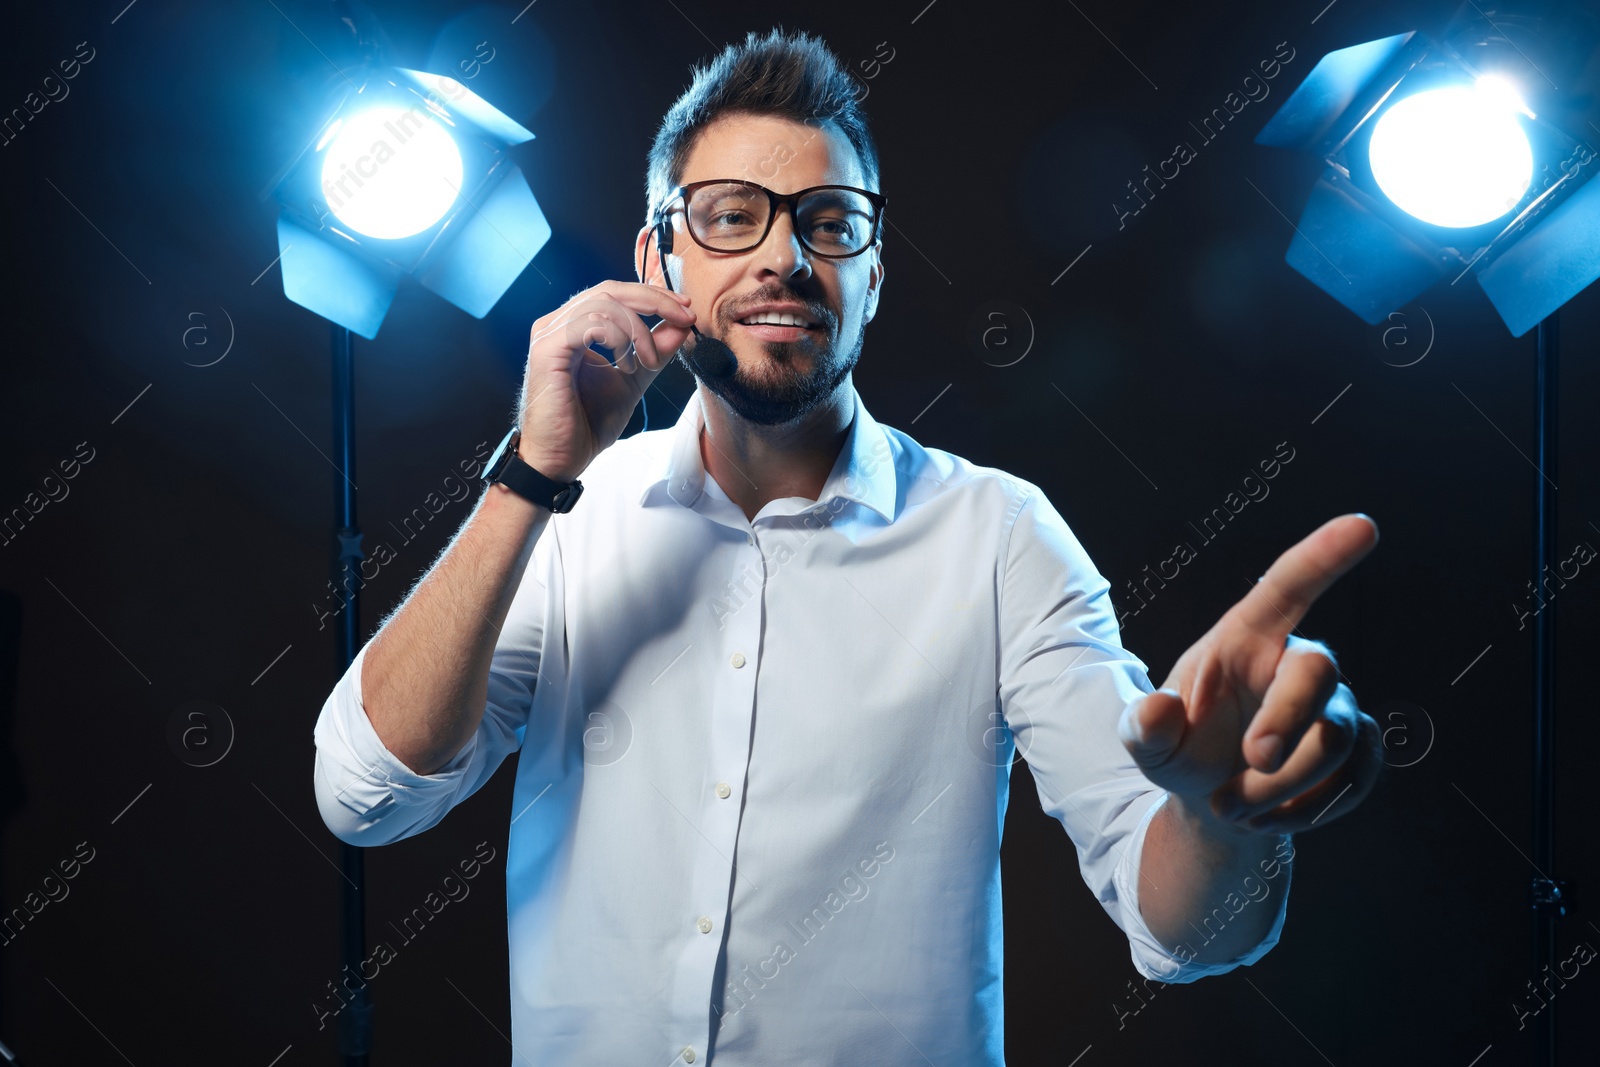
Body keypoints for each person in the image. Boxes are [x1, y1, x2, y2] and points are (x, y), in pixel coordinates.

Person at [312, 27, 1383, 1066]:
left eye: (829, 222)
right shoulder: (562, 514)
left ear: (874, 270)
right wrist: (530, 475)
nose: (784, 256)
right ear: (659, 256)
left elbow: (1190, 936)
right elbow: (368, 794)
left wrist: (1224, 816)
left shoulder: (1000, 538)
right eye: (731, 216)